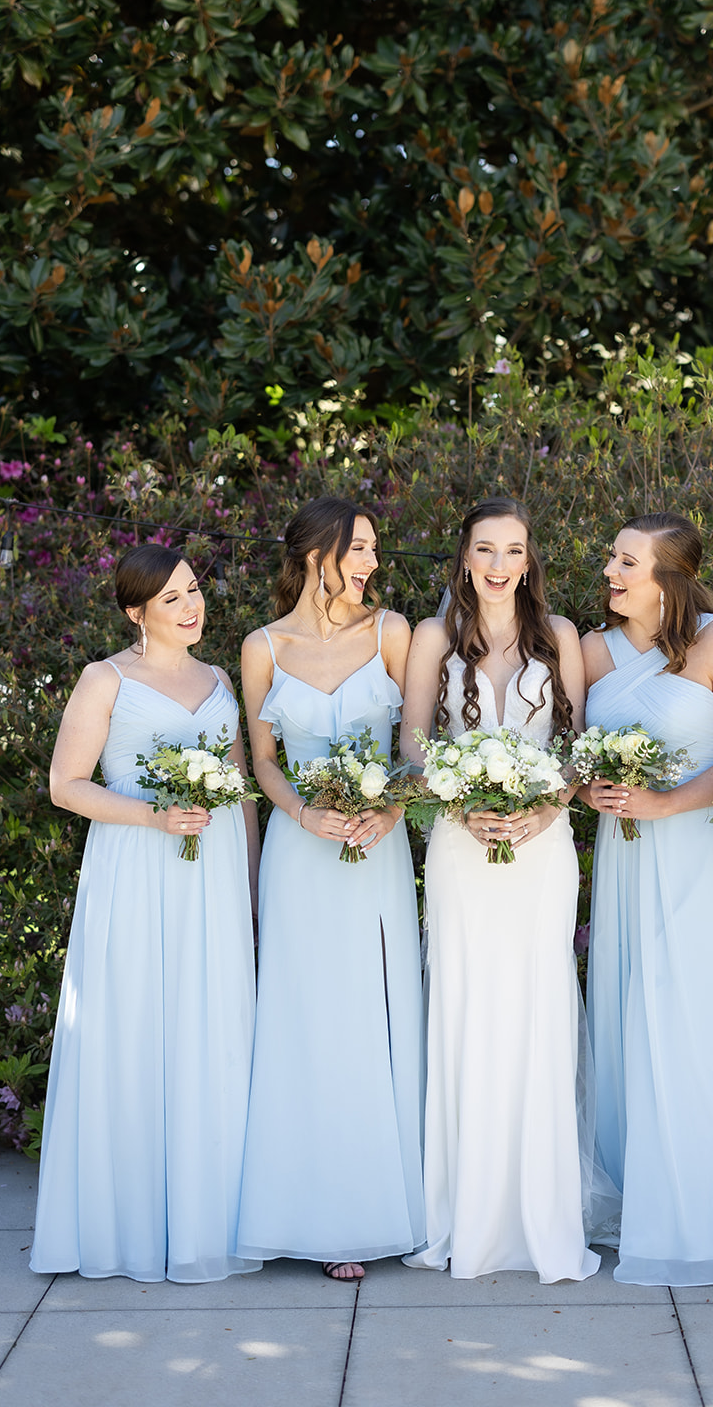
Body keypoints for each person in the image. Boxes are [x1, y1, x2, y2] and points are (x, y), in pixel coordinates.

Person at [31, 545, 260, 1283]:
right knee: (134, 1028)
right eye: (171, 599)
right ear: (136, 611)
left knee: (210, 1028)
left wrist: (252, 889)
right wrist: (152, 816)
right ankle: (126, 1225)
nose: (192, 607)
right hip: (135, 872)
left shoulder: (219, 678)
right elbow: (66, 785)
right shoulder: (105, 679)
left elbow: (240, 792)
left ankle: (208, 1219)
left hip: (212, 879)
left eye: (193, 591)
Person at [401, 496, 600, 1283]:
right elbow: (413, 744)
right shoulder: (432, 637)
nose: (498, 564)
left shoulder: (561, 637)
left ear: (529, 560)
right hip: (460, 847)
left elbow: (578, 749)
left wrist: (545, 810)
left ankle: (539, 1214)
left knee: (536, 1007)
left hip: (543, 851)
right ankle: (467, 1211)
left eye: (513, 550)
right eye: (485, 549)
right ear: (464, 556)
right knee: (466, 1006)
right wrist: (461, 805)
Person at [235, 496, 423, 1281]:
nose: (373, 561)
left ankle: (386, 1207)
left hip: (378, 845)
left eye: (374, 548)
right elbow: (263, 759)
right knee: (306, 1017)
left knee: (376, 1010)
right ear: (319, 555)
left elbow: (414, 745)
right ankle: (310, 1215)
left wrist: (391, 809)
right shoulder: (262, 646)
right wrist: (304, 814)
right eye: (360, 548)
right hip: (300, 849)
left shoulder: (392, 632)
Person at [580, 512, 713, 1286]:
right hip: (625, 860)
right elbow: (570, 753)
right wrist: (589, 789)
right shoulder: (592, 649)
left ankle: (707, 1209)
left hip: (701, 859)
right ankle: (635, 1197)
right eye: (612, 558)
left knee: (695, 1017)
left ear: (670, 577)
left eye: (628, 562)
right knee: (628, 1014)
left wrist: (668, 802)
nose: (611, 572)